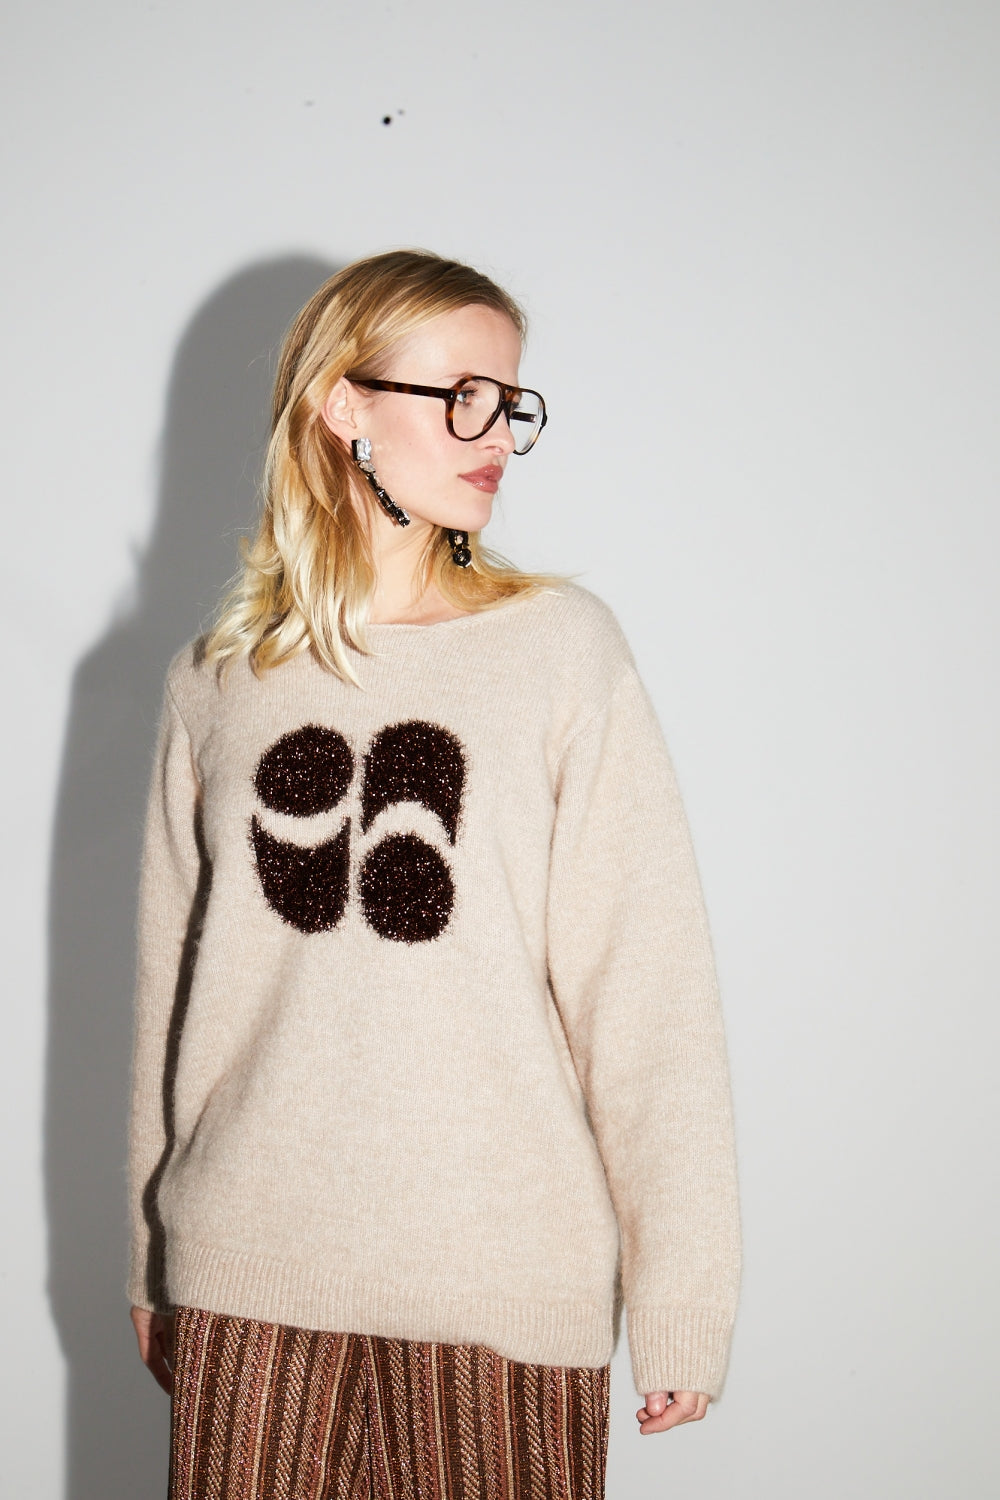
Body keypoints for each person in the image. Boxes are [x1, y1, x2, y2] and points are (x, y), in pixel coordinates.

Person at [127, 249, 742, 1499]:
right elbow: (165, 997)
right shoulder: (217, 680)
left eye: (509, 402)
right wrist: (147, 1261)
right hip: (253, 1275)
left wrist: (684, 1290)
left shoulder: (560, 654)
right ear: (343, 405)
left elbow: (647, 993)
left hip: (500, 1287)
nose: (497, 436)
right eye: (461, 397)